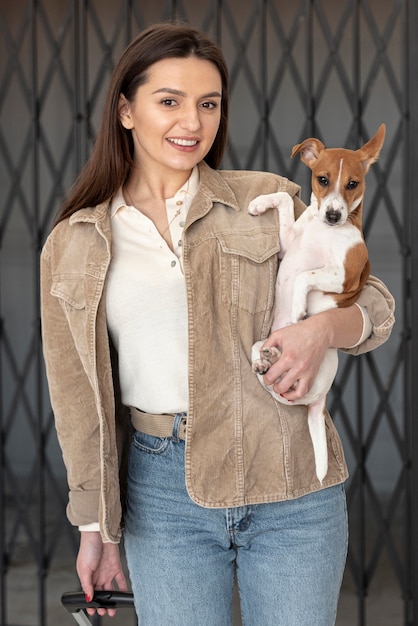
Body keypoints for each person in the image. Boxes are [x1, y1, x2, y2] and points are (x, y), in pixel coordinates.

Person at [40, 22, 395, 626]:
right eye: (169, 101)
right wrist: (94, 527)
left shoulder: (264, 200)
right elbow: (76, 398)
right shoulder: (75, 242)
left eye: (209, 104)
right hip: (162, 491)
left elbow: (377, 304)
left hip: (289, 478)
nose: (193, 122)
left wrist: (319, 333)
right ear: (126, 110)